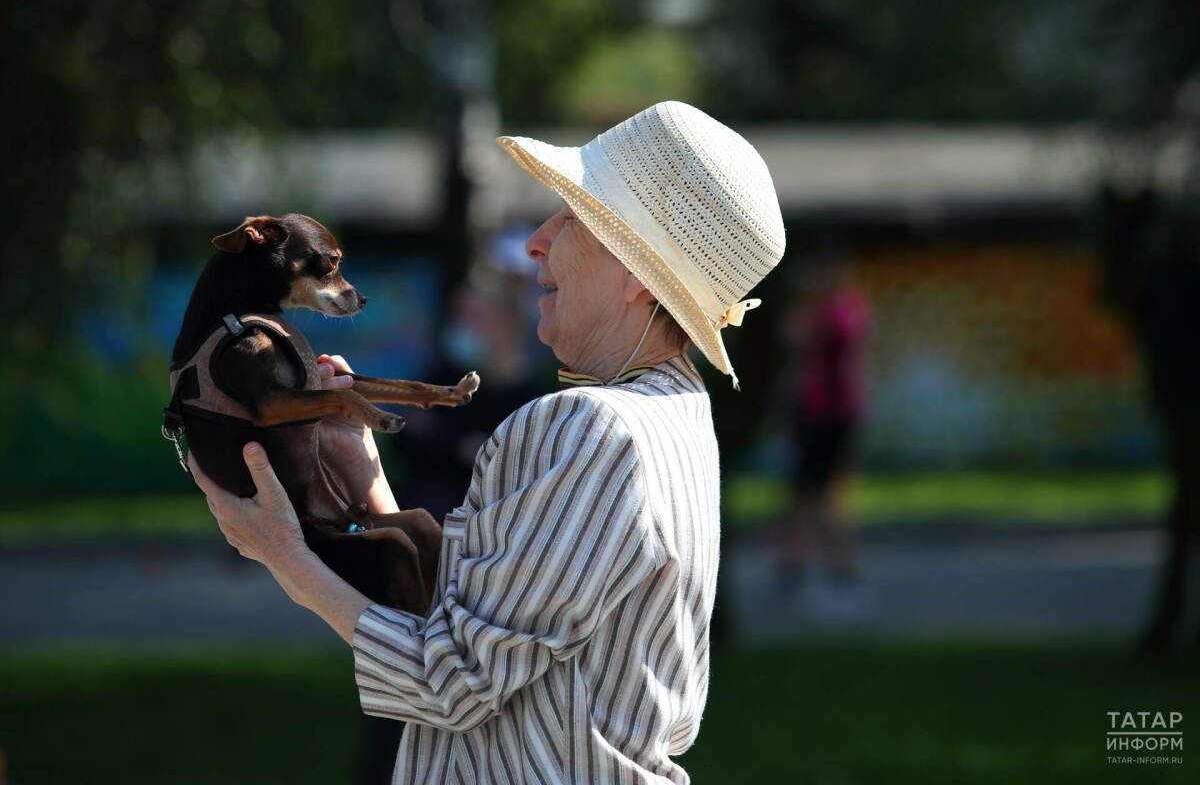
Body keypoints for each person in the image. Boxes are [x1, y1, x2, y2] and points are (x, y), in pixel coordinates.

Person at [190, 101, 786, 783]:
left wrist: (281, 552)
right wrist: (365, 470)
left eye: (571, 219)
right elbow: (481, 617)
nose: (536, 240)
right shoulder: (677, 410)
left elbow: (450, 679)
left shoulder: (591, 427)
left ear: (636, 278)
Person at [778, 252, 870, 617]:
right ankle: (796, 568)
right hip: (812, 415)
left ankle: (841, 573)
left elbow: (807, 335)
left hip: (832, 417)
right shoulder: (824, 310)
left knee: (827, 498)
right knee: (802, 496)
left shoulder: (841, 311)